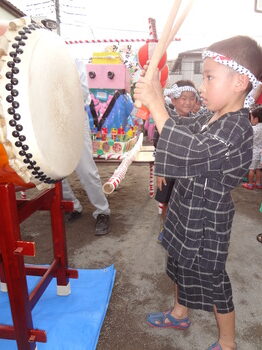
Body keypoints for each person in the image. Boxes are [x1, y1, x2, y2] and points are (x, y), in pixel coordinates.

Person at [134, 35, 262, 350]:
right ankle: (180, 313)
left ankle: (228, 342)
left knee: (213, 278)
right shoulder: (211, 115)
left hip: (208, 218)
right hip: (185, 207)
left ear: (239, 82)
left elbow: (192, 150)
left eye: (209, 77)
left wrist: (154, 104)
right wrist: (159, 101)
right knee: (179, 261)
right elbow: (182, 129)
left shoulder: (237, 128)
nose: (202, 86)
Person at [62, 59, 110, 236]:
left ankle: (102, 211)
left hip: (74, 115)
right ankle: (72, 205)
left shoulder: (71, 59)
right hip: (48, 121)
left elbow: (81, 92)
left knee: (85, 169)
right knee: (54, 170)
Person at [154, 80, 199, 242]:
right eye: (183, 98)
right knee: (166, 202)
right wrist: (160, 171)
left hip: (187, 172)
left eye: (192, 98)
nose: (188, 102)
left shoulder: (197, 121)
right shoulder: (165, 119)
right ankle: (166, 229)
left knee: (184, 203)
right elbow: (159, 145)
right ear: (173, 100)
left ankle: (181, 231)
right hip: (168, 170)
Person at [242, 106, 262, 190]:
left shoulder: (253, 129)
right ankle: (258, 183)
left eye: (252, 118)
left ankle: (249, 184)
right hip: (261, 152)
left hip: (253, 152)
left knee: (251, 169)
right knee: (258, 169)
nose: (251, 120)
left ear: (256, 119)